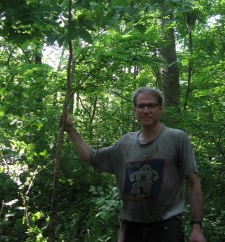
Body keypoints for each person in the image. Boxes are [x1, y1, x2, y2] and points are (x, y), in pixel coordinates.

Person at [63, 87, 206, 242]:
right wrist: (70, 129)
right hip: (131, 229)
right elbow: (92, 158)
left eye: (151, 106)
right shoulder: (125, 143)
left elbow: (193, 183)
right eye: (141, 106)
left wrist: (196, 226)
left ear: (160, 109)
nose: (145, 110)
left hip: (167, 229)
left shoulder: (177, 138)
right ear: (135, 110)